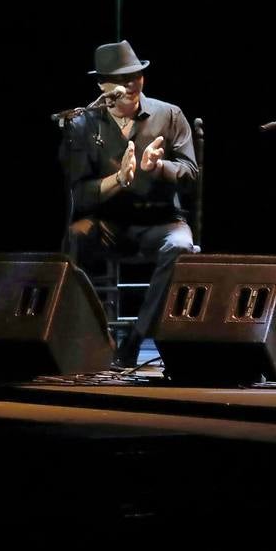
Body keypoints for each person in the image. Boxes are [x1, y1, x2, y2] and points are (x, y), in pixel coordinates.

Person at [62, 40, 198, 368]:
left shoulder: (169, 115)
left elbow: (191, 174)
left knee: (180, 246)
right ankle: (95, 334)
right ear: (101, 86)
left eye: (135, 76)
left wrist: (159, 167)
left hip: (161, 220)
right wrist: (118, 180)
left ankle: (137, 338)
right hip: (111, 223)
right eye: (120, 80)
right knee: (74, 237)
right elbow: (79, 195)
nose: (129, 85)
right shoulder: (83, 124)